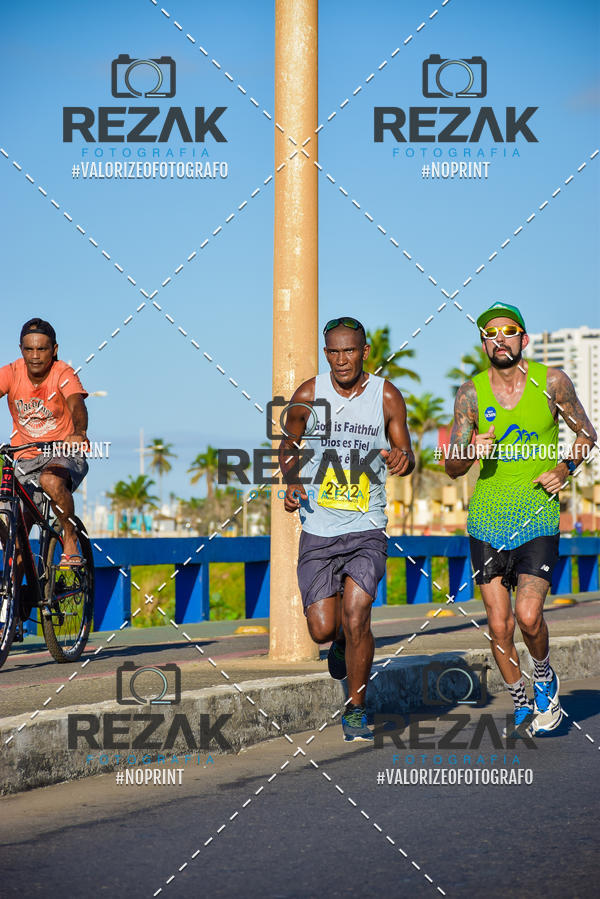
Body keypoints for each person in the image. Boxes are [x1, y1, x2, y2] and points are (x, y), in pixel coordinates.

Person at [445, 302, 596, 737]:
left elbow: (586, 433)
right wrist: (470, 451)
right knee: (498, 624)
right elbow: (451, 466)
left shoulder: (552, 383)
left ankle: (544, 675)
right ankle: (520, 700)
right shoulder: (470, 394)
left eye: (508, 331)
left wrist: (565, 468)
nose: (499, 339)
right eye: (490, 334)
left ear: (523, 339)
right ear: (483, 344)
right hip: (487, 522)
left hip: (538, 519)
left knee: (529, 617)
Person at [281, 317, 414, 742]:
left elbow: (406, 451)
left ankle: (356, 707)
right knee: (323, 628)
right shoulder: (309, 393)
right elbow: (288, 442)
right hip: (319, 527)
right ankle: (338, 641)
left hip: (366, 526)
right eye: (334, 352)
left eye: (349, 351)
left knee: (358, 614)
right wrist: (292, 479)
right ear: (326, 353)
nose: (341, 360)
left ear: (364, 352)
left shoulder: (386, 395)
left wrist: (401, 459)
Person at [0, 318, 90, 573]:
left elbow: (76, 404)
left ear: (54, 349)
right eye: (29, 349)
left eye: (42, 349)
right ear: (21, 349)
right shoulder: (11, 373)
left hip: (63, 453)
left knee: (51, 481)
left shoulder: (62, 373)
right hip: (25, 459)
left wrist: (79, 431)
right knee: (14, 532)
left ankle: (70, 540)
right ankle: (15, 605)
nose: (35, 356)